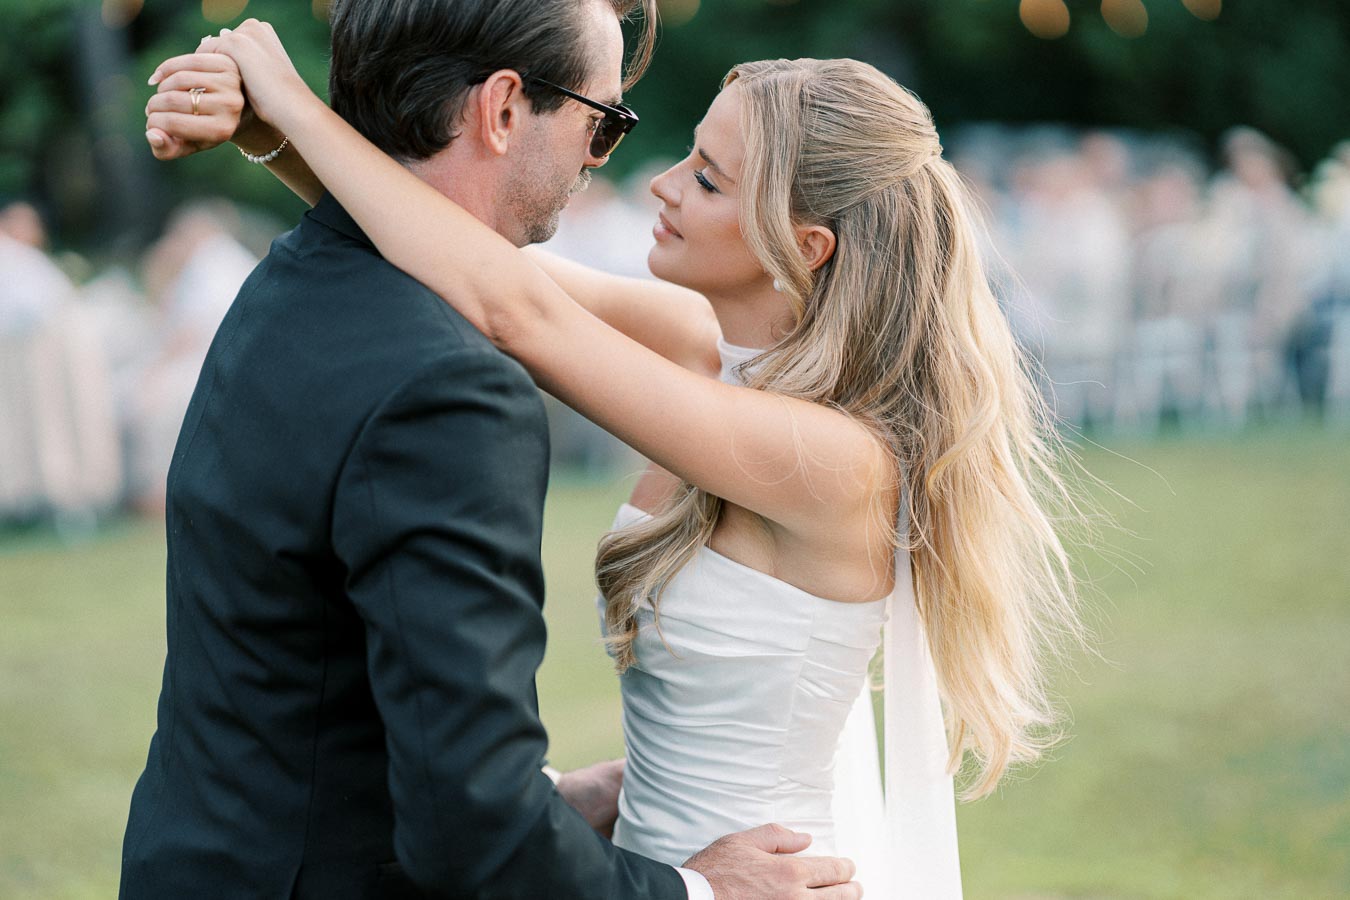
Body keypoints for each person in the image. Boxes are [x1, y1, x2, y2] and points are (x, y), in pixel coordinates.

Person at [151, 14, 1092, 896]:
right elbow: (462, 253)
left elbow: (509, 311)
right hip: (651, 867)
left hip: (755, 884)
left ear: (801, 247)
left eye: (711, 179)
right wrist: (266, 139)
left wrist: (293, 100)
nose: (663, 182)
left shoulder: (836, 461)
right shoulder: (696, 343)